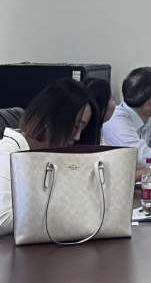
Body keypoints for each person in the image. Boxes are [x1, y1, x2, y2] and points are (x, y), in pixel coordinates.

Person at [1, 79, 94, 236]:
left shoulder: (50, 153)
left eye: (82, 129)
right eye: (75, 127)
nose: (77, 137)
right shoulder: (8, 152)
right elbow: (3, 219)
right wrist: (66, 206)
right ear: (50, 119)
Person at [83, 77, 151, 182]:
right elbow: (107, 174)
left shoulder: (97, 134)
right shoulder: (116, 121)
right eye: (113, 99)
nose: (116, 105)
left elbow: (115, 165)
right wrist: (147, 172)